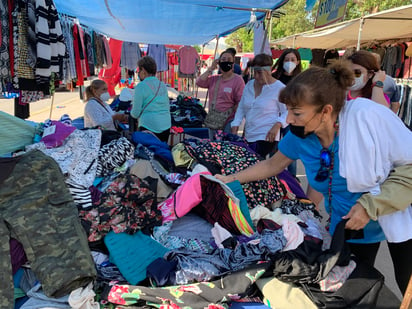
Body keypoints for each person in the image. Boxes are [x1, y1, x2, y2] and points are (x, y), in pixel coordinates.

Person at [216, 60, 412, 295]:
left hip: (397, 214)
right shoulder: (301, 136)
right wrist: (233, 178)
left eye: (296, 112)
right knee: (359, 288)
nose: (288, 119)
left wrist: (370, 206)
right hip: (350, 227)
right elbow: (272, 164)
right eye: (288, 110)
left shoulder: (365, 121)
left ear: (326, 111)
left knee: (406, 281)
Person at [231, 54, 287, 158]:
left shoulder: (279, 88)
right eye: (254, 72)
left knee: (254, 162)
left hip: (267, 135)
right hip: (249, 134)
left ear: (269, 70)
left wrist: (278, 124)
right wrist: (235, 124)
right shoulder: (249, 85)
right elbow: (241, 107)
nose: (256, 76)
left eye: (260, 73)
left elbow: (287, 112)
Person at [196, 49, 245, 136]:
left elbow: (240, 102)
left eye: (229, 60)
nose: (226, 62)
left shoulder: (238, 80)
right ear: (218, 62)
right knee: (212, 146)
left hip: (229, 120)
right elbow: (199, 82)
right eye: (223, 59)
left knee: (226, 146)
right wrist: (211, 68)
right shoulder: (214, 79)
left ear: (233, 63)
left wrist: (236, 124)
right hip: (213, 119)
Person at [271, 48, 303, 177]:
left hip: (292, 119)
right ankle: (274, 178)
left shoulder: (301, 79)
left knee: (290, 151)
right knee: (274, 149)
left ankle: (292, 178)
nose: (289, 62)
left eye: (292, 60)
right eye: (286, 59)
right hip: (274, 118)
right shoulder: (274, 77)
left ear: (298, 62)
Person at [130, 56, 171, 143]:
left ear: (143, 71)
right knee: (162, 152)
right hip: (166, 125)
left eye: (139, 70)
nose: (138, 73)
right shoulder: (162, 85)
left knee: (148, 154)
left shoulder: (141, 86)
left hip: (149, 126)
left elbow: (135, 113)